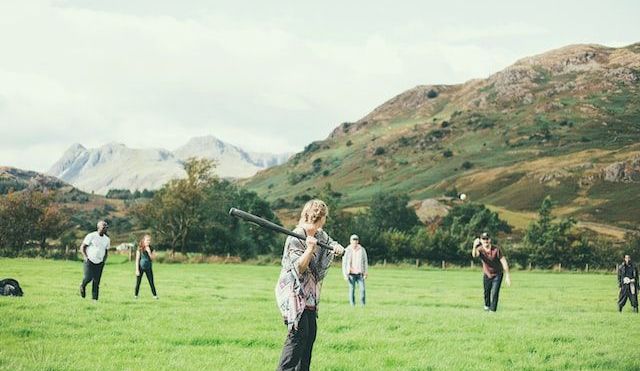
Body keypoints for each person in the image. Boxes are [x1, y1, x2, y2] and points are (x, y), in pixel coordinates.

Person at [275, 199, 345, 371]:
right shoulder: (296, 236)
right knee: (298, 335)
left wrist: (337, 247)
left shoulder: (320, 235)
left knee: (310, 334)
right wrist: (309, 249)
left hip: (309, 294)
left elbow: (331, 243)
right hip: (293, 292)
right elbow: (298, 268)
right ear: (322, 218)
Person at [471, 232, 511, 312]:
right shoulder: (480, 249)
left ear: (490, 240)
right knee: (486, 292)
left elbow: (503, 261)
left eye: (487, 239)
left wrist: (507, 275)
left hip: (498, 274)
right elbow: (475, 255)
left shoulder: (496, 250)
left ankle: (493, 310)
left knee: (495, 292)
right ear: (481, 241)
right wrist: (474, 246)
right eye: (483, 239)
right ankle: (487, 306)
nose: (486, 241)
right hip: (487, 274)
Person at [79, 221, 110, 301]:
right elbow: (83, 247)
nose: (105, 229)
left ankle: (94, 299)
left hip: (100, 262)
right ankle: (83, 285)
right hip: (89, 260)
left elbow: (106, 251)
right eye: (103, 227)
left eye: (106, 227)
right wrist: (85, 257)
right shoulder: (91, 236)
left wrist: (104, 260)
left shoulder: (107, 239)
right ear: (98, 227)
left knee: (96, 281)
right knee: (88, 277)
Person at [342, 234, 368, 307]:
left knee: (362, 290)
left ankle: (363, 305)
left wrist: (366, 272)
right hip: (351, 274)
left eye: (356, 241)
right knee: (352, 290)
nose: (355, 242)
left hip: (360, 273)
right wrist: (345, 274)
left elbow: (365, 261)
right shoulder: (347, 250)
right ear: (350, 241)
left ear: (358, 241)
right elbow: (344, 263)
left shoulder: (362, 250)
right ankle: (352, 305)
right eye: (353, 241)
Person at [135, 234, 158, 299]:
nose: (148, 242)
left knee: (151, 282)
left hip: (148, 267)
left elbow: (153, 258)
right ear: (144, 240)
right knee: (138, 282)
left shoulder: (151, 248)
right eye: (147, 240)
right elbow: (137, 259)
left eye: (149, 240)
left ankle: (155, 295)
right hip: (141, 267)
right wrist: (137, 269)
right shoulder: (140, 248)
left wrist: (149, 252)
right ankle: (136, 295)